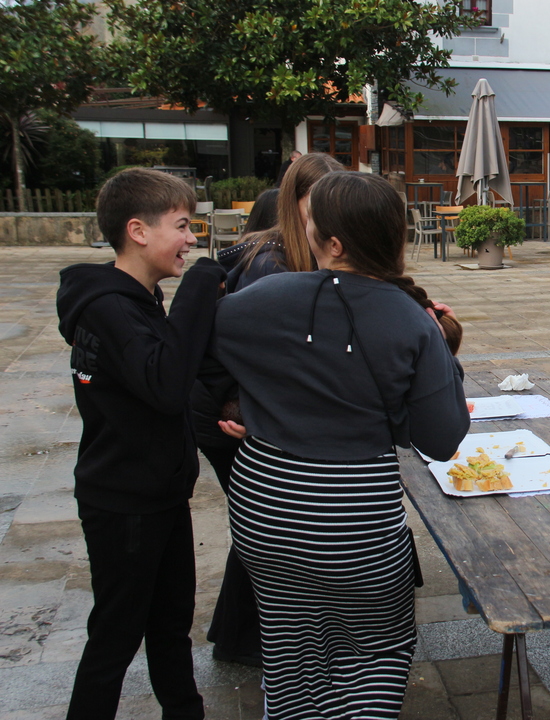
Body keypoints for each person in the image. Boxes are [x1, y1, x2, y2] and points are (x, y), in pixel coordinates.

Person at [211, 171, 471, 719]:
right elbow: (442, 438)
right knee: (374, 650)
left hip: (264, 505)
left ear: (332, 243)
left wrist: (248, 403)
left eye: (308, 224)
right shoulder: (412, 319)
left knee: (288, 644)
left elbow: (203, 357)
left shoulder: (258, 298)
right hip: (353, 516)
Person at [55, 168, 226, 719]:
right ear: (138, 230)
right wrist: (198, 288)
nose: (192, 238)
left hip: (160, 493)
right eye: (182, 225)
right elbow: (165, 385)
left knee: (171, 623)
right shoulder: (108, 306)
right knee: (116, 634)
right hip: (123, 503)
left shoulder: (138, 298)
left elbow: (175, 368)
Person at [191, 186, 280, 668]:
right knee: (261, 528)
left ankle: (234, 635)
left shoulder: (248, 258)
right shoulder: (267, 266)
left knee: (255, 527)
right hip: (225, 414)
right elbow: (255, 353)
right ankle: (240, 640)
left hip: (220, 407)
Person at [231, 152, 345, 292]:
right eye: (315, 208)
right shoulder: (268, 266)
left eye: (335, 207)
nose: (327, 218)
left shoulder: (340, 253)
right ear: (292, 204)